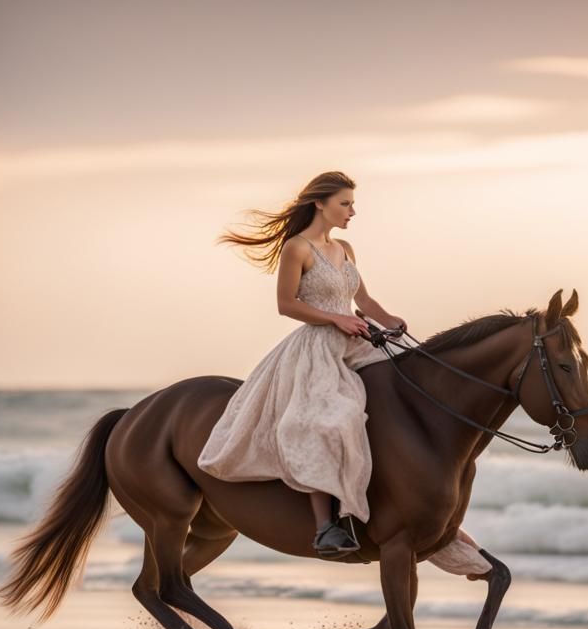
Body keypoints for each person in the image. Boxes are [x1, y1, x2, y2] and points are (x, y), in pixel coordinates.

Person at [196, 170, 488, 574]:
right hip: (317, 347)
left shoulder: (345, 248)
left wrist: (389, 320)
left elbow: (363, 300)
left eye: (351, 203)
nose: (353, 211)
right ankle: (326, 525)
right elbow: (287, 305)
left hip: (357, 341)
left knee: (401, 406)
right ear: (321, 203)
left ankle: (406, 505)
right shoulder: (297, 248)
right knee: (332, 419)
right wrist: (335, 320)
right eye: (345, 203)